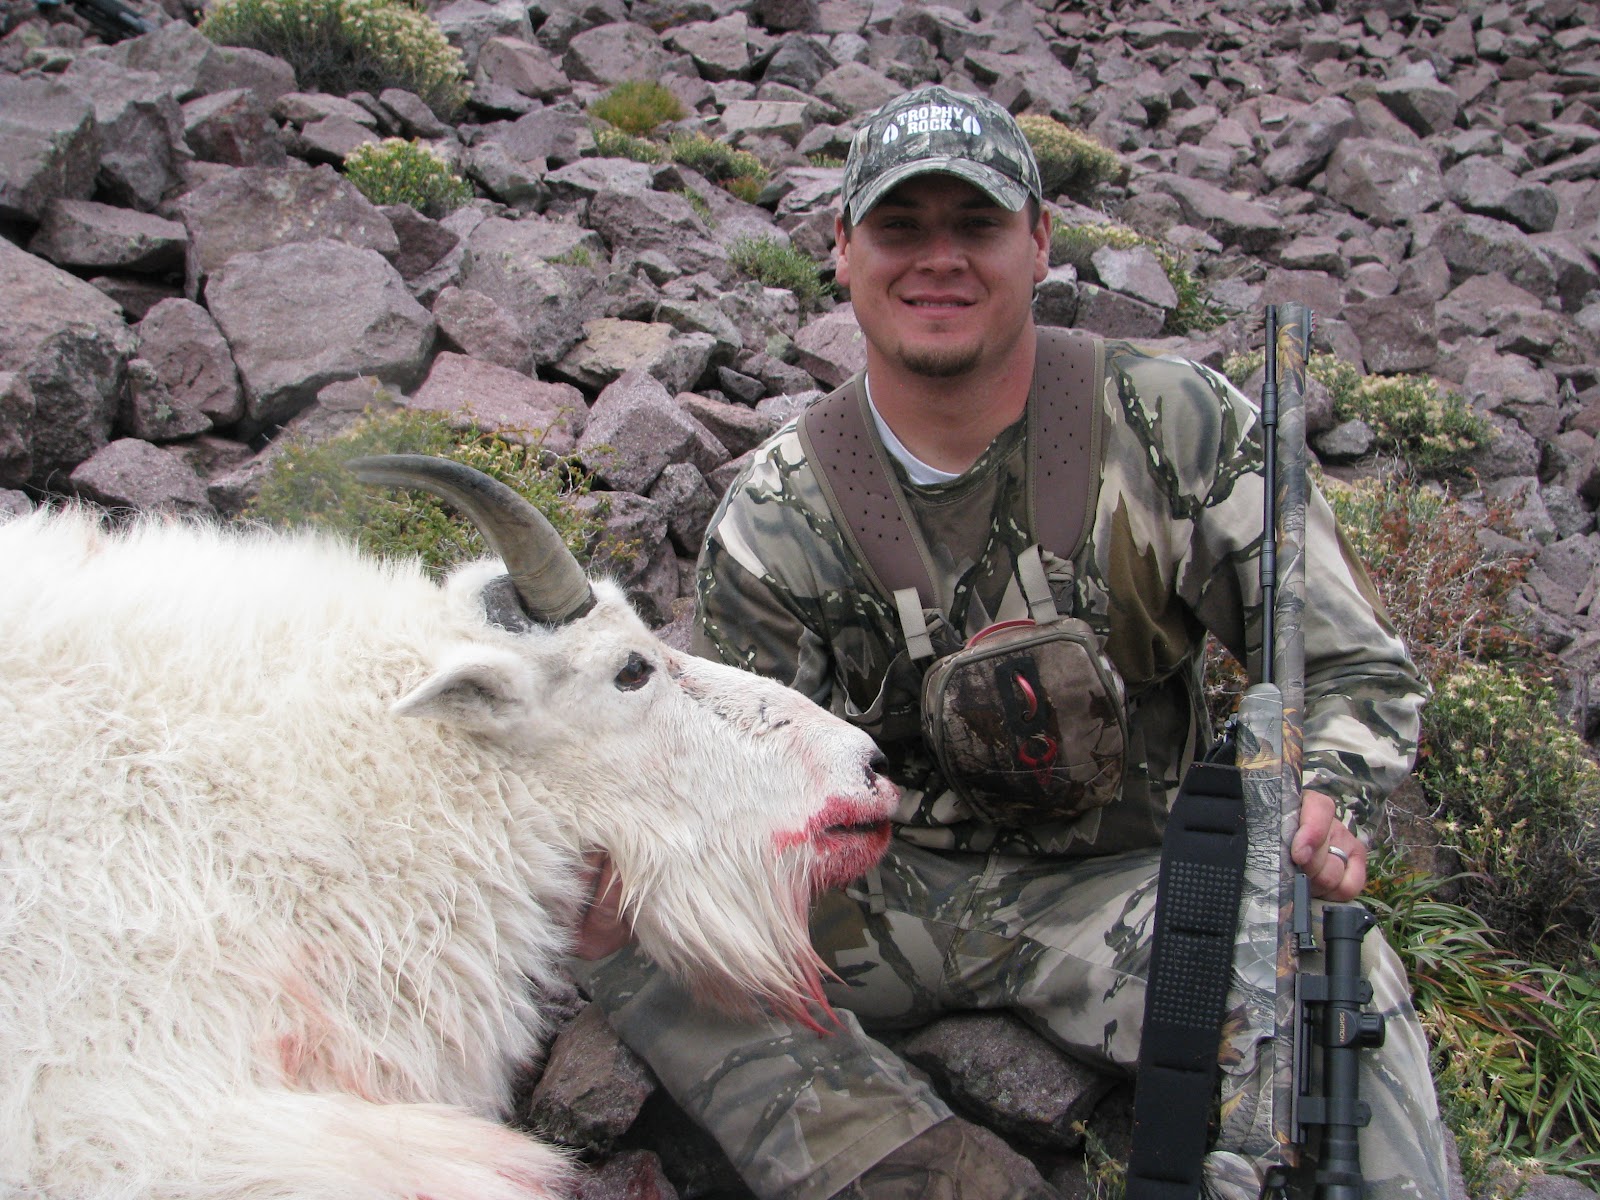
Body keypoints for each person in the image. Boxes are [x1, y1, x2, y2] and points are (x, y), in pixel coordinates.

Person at [573, 84, 1449, 1200]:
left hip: (1144, 890)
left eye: (975, 225)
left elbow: (1352, 669)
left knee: (1322, 963)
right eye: (900, 227)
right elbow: (733, 780)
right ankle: (926, 1173)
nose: (937, 259)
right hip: (876, 889)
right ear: (842, 250)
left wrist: (1326, 790)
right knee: (636, 934)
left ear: (1038, 242)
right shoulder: (775, 518)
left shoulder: (1177, 425)